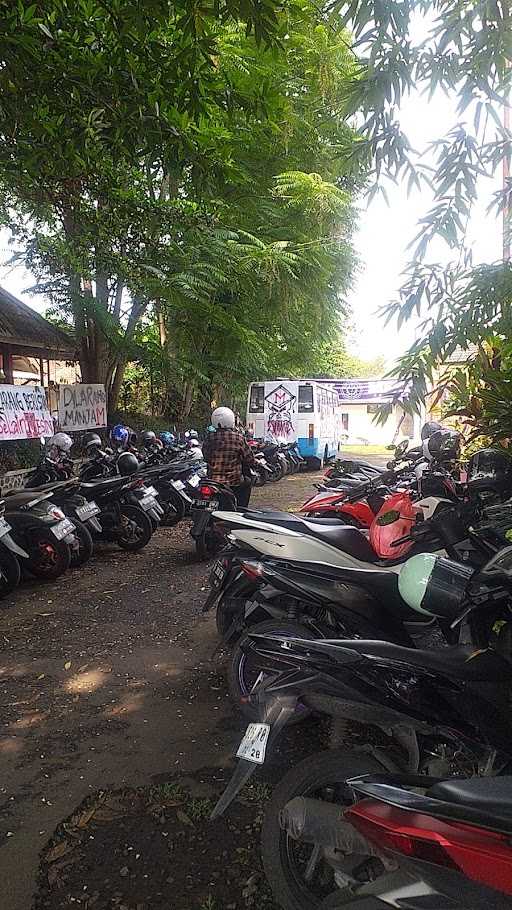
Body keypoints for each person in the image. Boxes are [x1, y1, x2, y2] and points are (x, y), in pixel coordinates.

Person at [203, 406, 255, 508]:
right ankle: (241, 509)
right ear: (231, 420)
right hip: (233, 481)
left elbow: (205, 457)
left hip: (212, 481)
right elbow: (249, 459)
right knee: (248, 482)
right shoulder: (239, 438)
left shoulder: (209, 438)